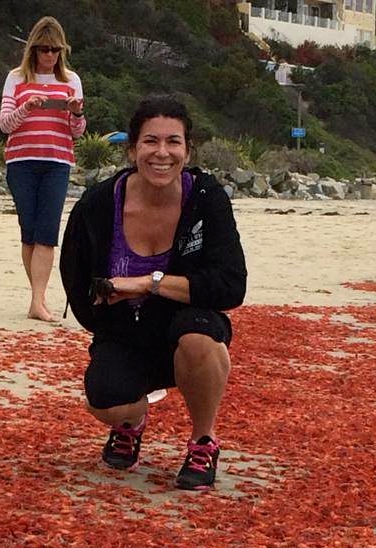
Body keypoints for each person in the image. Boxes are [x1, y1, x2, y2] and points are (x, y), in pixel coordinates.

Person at [59, 95, 247, 491]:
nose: (162, 153)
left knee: (199, 337)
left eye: (173, 142)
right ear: (132, 149)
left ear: (187, 149)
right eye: (150, 141)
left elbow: (230, 285)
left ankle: (203, 439)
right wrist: (104, 314)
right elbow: (75, 280)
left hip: (188, 322)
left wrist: (150, 283)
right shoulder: (97, 205)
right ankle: (132, 421)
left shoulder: (207, 199)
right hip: (125, 331)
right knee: (105, 400)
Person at [0, 16, 86, 322]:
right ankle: (38, 297)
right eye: (44, 49)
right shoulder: (16, 78)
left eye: (55, 50)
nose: (49, 55)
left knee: (47, 232)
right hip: (21, 161)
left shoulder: (71, 81)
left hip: (57, 162)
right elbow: (5, 123)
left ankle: (38, 299)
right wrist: (27, 107)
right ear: (33, 49)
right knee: (30, 230)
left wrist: (76, 112)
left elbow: (77, 131)